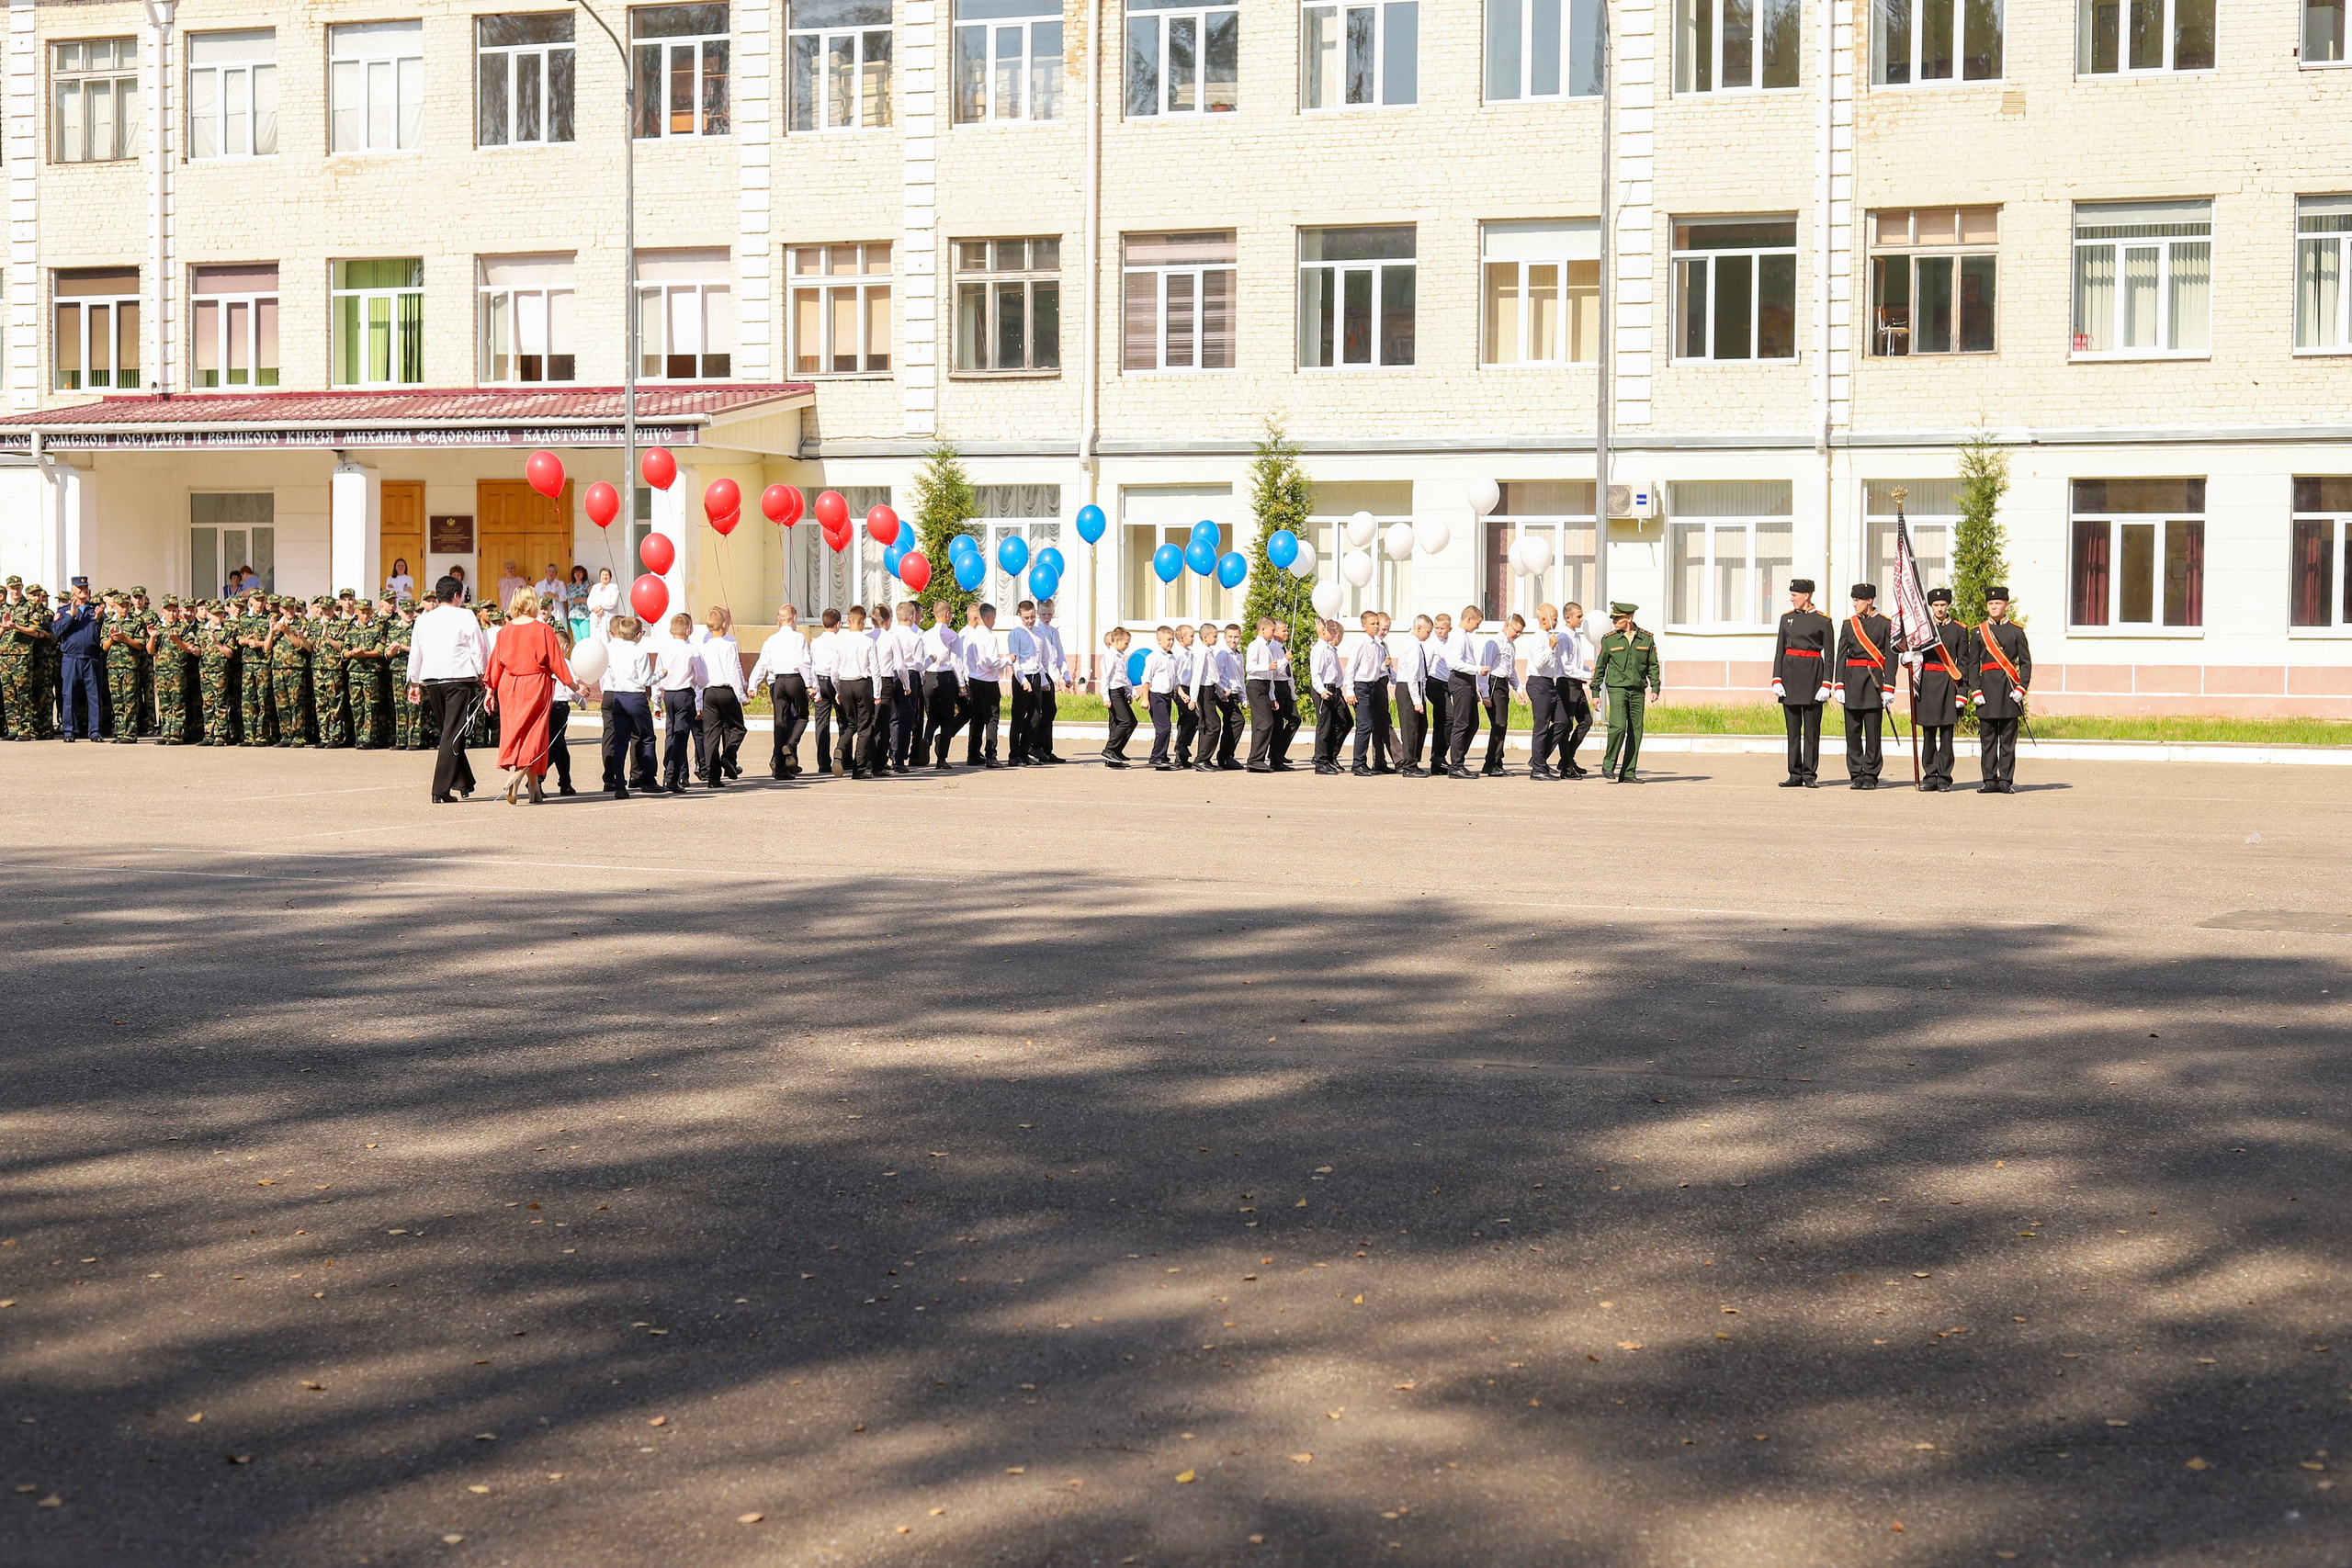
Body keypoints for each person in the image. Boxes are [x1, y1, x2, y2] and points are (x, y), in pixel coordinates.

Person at [481, 588, 574, 805]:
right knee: (535, 735)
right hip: (535, 685)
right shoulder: (544, 629)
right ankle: (519, 774)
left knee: (519, 734)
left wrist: (489, 691)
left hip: (509, 685)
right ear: (533, 602)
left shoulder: (505, 631)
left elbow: (496, 663)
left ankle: (534, 788)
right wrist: (574, 685)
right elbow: (557, 662)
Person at [407, 576, 491, 803]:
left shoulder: (424, 619)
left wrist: (413, 682)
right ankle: (440, 789)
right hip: (458, 677)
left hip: (432, 680)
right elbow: (478, 649)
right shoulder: (465, 615)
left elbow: (416, 651)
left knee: (450, 732)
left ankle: (463, 782)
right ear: (456, 595)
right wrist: (485, 676)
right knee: (453, 733)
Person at [1771, 579, 1835, 788]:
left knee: (1811, 731)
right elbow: (1779, 650)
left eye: (1795, 595)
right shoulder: (1786, 619)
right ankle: (1794, 773)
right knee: (1793, 730)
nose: (1792, 598)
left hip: (1813, 675)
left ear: (1806, 595)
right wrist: (1776, 678)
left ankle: (1809, 774)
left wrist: (1827, 683)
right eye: (1791, 594)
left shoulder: (1823, 621)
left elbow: (1830, 655)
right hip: (1790, 676)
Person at [1834, 583, 1896, 791]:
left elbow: (1891, 657)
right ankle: (1856, 772)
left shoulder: (1885, 624)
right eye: (1853, 600)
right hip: (1852, 681)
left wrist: (1889, 686)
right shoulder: (1848, 624)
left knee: (1872, 730)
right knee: (1852, 731)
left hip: (1873, 682)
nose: (1855, 604)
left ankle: (1870, 773)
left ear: (1869, 600)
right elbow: (1841, 654)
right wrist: (1839, 683)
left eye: (1858, 600)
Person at [1969, 587, 2031, 795]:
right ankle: (1989, 779)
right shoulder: (1979, 631)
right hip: (1987, 689)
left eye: (1998, 603)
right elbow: (1972, 664)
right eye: (1990, 604)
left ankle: (2005, 780)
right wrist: (1975, 690)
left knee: (2007, 738)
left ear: (2006, 606)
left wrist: (2022, 687)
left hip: (2008, 689)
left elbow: (2025, 663)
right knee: (1987, 739)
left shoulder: (2016, 631)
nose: (1994, 606)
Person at [1591, 602, 1661, 783]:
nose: (1614, 621)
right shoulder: (1609, 640)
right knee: (1619, 725)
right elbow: (1600, 667)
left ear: (1628, 618)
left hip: (1638, 689)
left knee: (1636, 731)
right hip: (1617, 688)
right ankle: (1609, 764)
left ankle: (1629, 772)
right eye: (1613, 618)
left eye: (1618, 618)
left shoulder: (1646, 639)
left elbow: (1652, 665)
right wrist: (1595, 692)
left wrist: (1655, 687)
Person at [1910, 588, 1967, 792]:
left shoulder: (1960, 630)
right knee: (1928, 733)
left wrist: (1962, 692)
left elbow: (1965, 664)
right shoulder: (1923, 630)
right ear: (1930, 607)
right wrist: (1907, 658)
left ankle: (1944, 777)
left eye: (1943, 605)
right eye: (1936, 605)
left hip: (1948, 683)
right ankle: (1930, 775)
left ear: (1948, 606)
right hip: (1927, 682)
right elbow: (1915, 654)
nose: (1940, 609)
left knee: (1946, 734)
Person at [748, 604, 814, 779]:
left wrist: (752, 685)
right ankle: (791, 745)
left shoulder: (771, 640)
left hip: (778, 682)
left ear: (779, 620)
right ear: (794, 619)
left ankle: (779, 767)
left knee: (780, 723)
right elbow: (803, 662)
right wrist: (810, 684)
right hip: (794, 679)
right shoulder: (798, 637)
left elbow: (761, 664)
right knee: (802, 716)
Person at [596, 615, 658, 798]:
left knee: (619, 741)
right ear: (638, 635)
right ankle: (647, 779)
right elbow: (646, 680)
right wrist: (660, 675)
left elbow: (611, 676)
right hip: (636, 696)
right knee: (647, 737)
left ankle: (619, 783)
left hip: (619, 696)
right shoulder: (640, 652)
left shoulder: (612, 652)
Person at [695, 606, 748, 788]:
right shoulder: (729, 644)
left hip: (709, 691)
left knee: (711, 734)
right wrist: (741, 695)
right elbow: (734, 671)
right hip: (726, 690)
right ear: (724, 624)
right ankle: (728, 756)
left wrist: (699, 698)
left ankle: (712, 777)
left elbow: (699, 675)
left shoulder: (702, 647)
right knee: (738, 728)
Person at [653, 612, 705, 794]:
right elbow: (702, 678)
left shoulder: (664, 650)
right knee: (681, 735)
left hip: (669, 695)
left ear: (670, 630)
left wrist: (656, 701)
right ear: (689, 630)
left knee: (671, 734)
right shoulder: (692, 650)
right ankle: (672, 777)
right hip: (684, 694)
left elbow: (658, 676)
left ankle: (669, 769)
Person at [832, 604, 880, 778]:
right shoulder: (868, 642)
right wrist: (877, 693)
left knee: (850, 724)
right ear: (863, 622)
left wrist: (837, 689)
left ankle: (839, 748)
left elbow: (834, 670)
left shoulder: (840, 641)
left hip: (845, 684)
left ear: (848, 621)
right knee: (865, 727)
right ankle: (859, 769)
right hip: (862, 684)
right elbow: (875, 669)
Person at [1521, 604, 1568, 780]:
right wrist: (1550, 647)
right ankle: (1538, 770)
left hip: (1549, 684)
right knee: (1541, 726)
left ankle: (1538, 758)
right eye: (1554, 618)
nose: (1556, 622)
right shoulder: (1538, 638)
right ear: (1543, 620)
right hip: (1538, 683)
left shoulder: (1549, 637)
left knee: (1562, 722)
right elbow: (1540, 663)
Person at [1441, 607, 1488, 780]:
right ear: (1469, 619)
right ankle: (1456, 765)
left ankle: (1459, 760)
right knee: (1461, 723)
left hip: (1467, 682)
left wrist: (1474, 687)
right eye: (1477, 623)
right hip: (1460, 680)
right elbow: (1454, 663)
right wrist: (1477, 670)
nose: (1477, 627)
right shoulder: (1458, 636)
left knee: (1473, 723)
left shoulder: (1464, 637)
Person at [52, 584, 103, 740]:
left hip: (91, 658)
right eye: (79, 588)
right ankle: (69, 732)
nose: (83, 590)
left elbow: (105, 631)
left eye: (85, 587)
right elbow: (56, 631)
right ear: (73, 590)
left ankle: (95, 732)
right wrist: (71, 616)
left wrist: (100, 619)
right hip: (71, 659)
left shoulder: (96, 610)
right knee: (69, 696)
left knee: (94, 697)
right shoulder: (63, 611)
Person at [539, 603, 580, 795]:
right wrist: (582, 701)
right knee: (554, 745)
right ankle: (537, 777)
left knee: (561, 746)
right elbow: (571, 686)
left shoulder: (545, 660)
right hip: (559, 707)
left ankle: (566, 782)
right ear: (564, 646)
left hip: (545, 705)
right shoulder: (564, 662)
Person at [918, 599, 963, 768]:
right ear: (947, 615)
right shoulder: (952, 635)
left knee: (933, 716)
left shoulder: (925, 635)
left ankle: (927, 738)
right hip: (946, 677)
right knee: (947, 720)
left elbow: (923, 658)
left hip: (929, 676)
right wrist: (962, 685)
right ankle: (941, 759)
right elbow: (956, 661)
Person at [1347, 611, 1392, 776]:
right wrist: (1350, 691)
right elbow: (1351, 669)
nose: (1376, 627)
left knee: (1372, 723)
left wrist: (1384, 666)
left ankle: (1365, 763)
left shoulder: (1378, 646)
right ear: (1364, 626)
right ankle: (1358, 763)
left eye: (1377, 624)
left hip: (1373, 686)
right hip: (1361, 687)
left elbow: (1375, 670)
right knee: (1365, 724)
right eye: (1372, 624)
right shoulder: (1361, 643)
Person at [1243, 616, 1291, 773]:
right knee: (1264, 723)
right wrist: (1267, 666)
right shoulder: (1255, 645)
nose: (1273, 633)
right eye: (1271, 630)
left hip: (1264, 686)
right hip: (1255, 685)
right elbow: (1250, 667)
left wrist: (1272, 696)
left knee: (1265, 723)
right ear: (1263, 630)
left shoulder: (1267, 647)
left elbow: (1270, 676)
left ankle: (1257, 759)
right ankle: (1255, 759)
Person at [961, 603, 1004, 767]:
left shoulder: (969, 634)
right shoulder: (989, 636)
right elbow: (993, 662)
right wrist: (1008, 660)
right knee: (992, 719)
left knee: (977, 718)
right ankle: (990, 755)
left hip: (973, 679)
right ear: (988, 617)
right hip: (988, 681)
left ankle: (972, 754)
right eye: (993, 618)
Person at [1557, 603, 1596, 778]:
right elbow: (1566, 667)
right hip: (1567, 684)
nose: (1581, 619)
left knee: (1586, 721)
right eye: (1578, 616)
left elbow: (1576, 664)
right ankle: (1566, 765)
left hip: (1577, 682)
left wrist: (1589, 671)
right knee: (1566, 725)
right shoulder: (1563, 637)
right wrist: (1586, 675)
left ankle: (1568, 758)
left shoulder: (1575, 636)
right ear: (1568, 618)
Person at [1393, 615, 1433, 778]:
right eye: (1427, 631)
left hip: (1416, 688)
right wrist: (1417, 701)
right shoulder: (1413, 646)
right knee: (1410, 728)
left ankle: (1414, 761)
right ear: (1418, 628)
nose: (1428, 635)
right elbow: (1412, 676)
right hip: (1409, 688)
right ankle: (1409, 765)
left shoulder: (1417, 645)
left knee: (1421, 726)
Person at [1309, 618, 1351, 775]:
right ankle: (1320, 761)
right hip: (1324, 690)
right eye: (1333, 630)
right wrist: (1321, 690)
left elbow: (1337, 673)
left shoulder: (1330, 650)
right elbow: (1316, 674)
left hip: (1334, 690)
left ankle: (1331, 756)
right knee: (1324, 726)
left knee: (1345, 722)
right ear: (1323, 631)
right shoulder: (1319, 649)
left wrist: (1339, 691)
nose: (1335, 633)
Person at [887, 601, 924, 772]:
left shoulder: (890, 634)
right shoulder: (915, 637)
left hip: (890, 674)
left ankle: (892, 753)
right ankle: (900, 758)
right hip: (909, 674)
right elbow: (919, 664)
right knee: (907, 719)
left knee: (893, 717)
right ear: (912, 617)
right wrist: (931, 659)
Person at [1006, 600, 1044, 766]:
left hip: (1036, 675)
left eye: (1032, 617)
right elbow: (1015, 660)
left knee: (1036, 715)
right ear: (1020, 615)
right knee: (1018, 717)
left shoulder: (1038, 632)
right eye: (1027, 617)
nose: (1030, 620)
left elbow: (1040, 657)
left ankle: (1024, 751)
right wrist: (1023, 681)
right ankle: (1014, 755)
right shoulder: (1016, 633)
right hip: (1022, 677)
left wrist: (1042, 677)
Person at [808, 607, 844, 777]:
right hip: (835, 681)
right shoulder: (840, 641)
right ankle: (844, 757)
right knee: (843, 720)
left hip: (819, 681)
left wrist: (813, 686)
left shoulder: (815, 642)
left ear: (823, 624)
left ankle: (823, 763)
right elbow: (839, 666)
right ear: (838, 624)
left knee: (821, 723)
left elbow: (811, 665)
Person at [1138, 624, 1179, 770]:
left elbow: (1175, 680)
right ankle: (1156, 757)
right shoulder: (1154, 657)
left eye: (1173, 639)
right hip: (1156, 696)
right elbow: (1146, 678)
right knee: (1164, 727)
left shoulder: (1172, 658)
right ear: (1159, 640)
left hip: (1167, 696)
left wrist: (1182, 693)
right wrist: (1145, 698)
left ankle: (1162, 757)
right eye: (1168, 639)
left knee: (1166, 727)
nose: (1171, 642)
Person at [1034, 597, 1069, 762]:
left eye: (1049, 613)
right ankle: (1036, 745)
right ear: (1038, 613)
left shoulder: (1054, 632)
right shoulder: (1038, 631)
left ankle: (1047, 749)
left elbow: (1059, 655)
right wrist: (1052, 678)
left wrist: (1066, 675)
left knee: (1050, 711)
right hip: (1043, 674)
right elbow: (1043, 659)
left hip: (1053, 673)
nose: (1047, 617)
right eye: (1043, 613)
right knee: (1047, 711)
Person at [1209, 623, 1247, 770]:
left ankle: (1226, 757)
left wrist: (1243, 698)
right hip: (1224, 693)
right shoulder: (1223, 654)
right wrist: (1220, 692)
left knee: (1231, 723)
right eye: (1230, 637)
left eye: (1236, 637)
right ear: (1225, 638)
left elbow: (1241, 677)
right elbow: (1216, 676)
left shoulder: (1239, 655)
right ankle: (1224, 755)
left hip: (1235, 694)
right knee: (1238, 720)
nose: (1233, 640)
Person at [1101, 626, 1136, 767]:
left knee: (1132, 721)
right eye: (1126, 643)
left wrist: (1129, 692)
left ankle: (1116, 752)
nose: (1127, 646)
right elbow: (1106, 678)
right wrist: (1105, 697)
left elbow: (1123, 678)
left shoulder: (1120, 657)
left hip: (1120, 691)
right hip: (1113, 692)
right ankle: (1109, 749)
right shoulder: (1110, 657)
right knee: (1125, 721)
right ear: (1117, 640)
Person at [1170, 623, 1203, 769]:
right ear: (1182, 638)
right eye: (1191, 636)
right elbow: (1175, 676)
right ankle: (1181, 745)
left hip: (1190, 689)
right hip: (1179, 689)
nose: (1194, 639)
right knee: (1194, 715)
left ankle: (1180, 759)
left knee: (1185, 721)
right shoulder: (1176, 654)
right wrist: (1181, 692)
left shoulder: (1190, 653)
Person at [586, 568, 621, 639]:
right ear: (600, 576)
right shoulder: (595, 587)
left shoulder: (614, 587)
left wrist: (600, 606)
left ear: (610, 577)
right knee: (595, 638)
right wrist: (595, 609)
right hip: (596, 616)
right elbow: (590, 601)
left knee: (607, 638)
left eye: (607, 575)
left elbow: (613, 602)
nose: (604, 577)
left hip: (607, 617)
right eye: (603, 575)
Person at [565, 566, 593, 643]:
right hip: (573, 615)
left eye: (580, 572)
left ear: (584, 573)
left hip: (584, 615)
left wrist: (582, 600)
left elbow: (593, 598)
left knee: (586, 637)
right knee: (577, 638)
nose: (578, 573)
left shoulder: (588, 584)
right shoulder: (570, 586)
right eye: (576, 572)